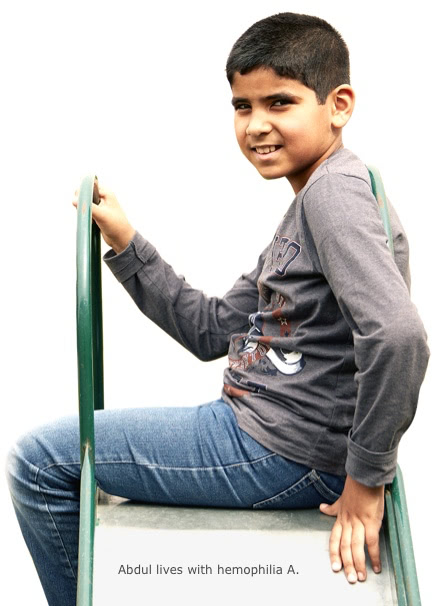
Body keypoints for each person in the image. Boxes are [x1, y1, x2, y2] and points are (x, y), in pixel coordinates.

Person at [7, 12, 429, 605]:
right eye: (241, 106)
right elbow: (211, 329)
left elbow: (398, 336)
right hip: (268, 434)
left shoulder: (334, 192)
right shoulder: (311, 204)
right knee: (55, 455)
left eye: (279, 103)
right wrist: (128, 243)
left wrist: (367, 478)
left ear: (339, 104)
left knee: (41, 462)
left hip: (280, 448)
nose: (257, 125)